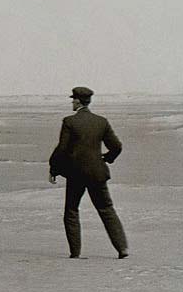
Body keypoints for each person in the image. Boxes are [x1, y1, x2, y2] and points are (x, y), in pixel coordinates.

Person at [48, 86, 128, 259]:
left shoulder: (69, 121)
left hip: (76, 174)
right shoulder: (101, 121)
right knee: (106, 209)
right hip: (97, 173)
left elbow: (62, 149)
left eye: (73, 99)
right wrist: (107, 158)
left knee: (71, 211)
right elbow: (117, 146)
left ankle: (75, 253)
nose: (72, 102)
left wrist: (54, 168)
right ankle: (122, 249)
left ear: (77, 101)